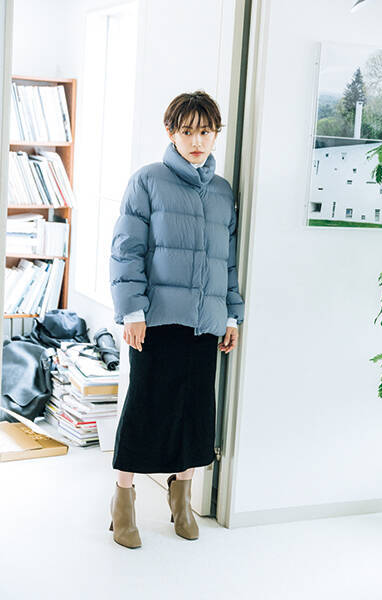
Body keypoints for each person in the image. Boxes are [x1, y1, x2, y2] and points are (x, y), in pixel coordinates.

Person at [108, 90, 245, 548]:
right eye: (187, 131)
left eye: (205, 131)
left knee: (194, 412)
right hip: (157, 321)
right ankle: (123, 500)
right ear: (171, 133)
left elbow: (227, 262)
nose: (197, 141)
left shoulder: (223, 192)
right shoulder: (147, 181)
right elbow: (126, 251)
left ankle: (181, 496)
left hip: (205, 323)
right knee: (145, 407)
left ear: (215, 134)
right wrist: (132, 310)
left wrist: (232, 316)